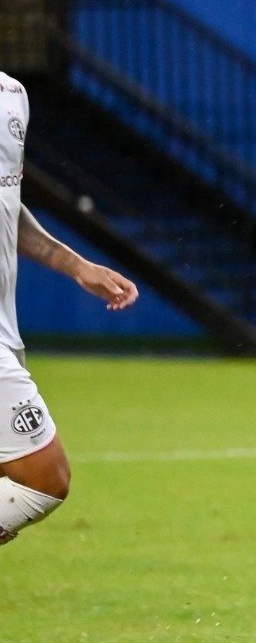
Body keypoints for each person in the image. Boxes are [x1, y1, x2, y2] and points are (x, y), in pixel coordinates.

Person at [1, 70, 140, 547]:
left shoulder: (12, 94)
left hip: (5, 327)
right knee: (42, 478)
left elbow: (7, 203)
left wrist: (74, 264)